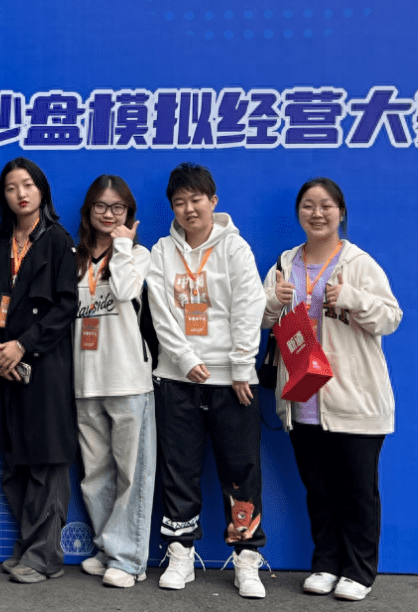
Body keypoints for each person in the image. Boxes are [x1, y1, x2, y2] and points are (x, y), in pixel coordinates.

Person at [262, 178, 401, 602]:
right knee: (319, 491)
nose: (317, 213)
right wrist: (274, 301)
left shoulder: (358, 263)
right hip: (303, 397)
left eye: (326, 205)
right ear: (298, 213)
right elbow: (259, 320)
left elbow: (391, 318)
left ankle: (359, 570)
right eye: (308, 205)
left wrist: (353, 298)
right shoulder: (285, 263)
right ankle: (325, 564)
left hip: (353, 400)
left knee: (358, 492)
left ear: (340, 212)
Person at [146, 162, 268, 598]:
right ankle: (181, 554)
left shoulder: (235, 248)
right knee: (179, 468)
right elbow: (160, 310)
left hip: (232, 381)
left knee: (241, 470)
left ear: (213, 201)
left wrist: (240, 366)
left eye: (196, 199)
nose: (189, 209)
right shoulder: (162, 251)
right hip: (176, 378)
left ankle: (246, 558)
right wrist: (183, 359)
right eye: (179, 202)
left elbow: (249, 306)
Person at [0, 157, 78, 584]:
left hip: (44, 365)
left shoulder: (57, 240)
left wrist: (23, 345)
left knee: (46, 460)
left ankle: (45, 555)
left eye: (28, 185)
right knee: (13, 459)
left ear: (42, 190)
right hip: (2, 365)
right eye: (12, 187)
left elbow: (65, 306)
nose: (21, 194)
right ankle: (29, 545)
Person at [70, 175, 155, 589]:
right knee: (96, 475)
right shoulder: (75, 258)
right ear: (89, 210)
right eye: (101, 206)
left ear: (129, 213)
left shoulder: (138, 254)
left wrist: (122, 245)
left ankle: (129, 558)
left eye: (117, 207)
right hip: (86, 379)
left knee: (132, 474)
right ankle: (107, 547)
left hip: (127, 379)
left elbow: (123, 290)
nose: (108, 214)